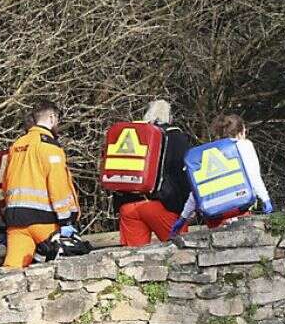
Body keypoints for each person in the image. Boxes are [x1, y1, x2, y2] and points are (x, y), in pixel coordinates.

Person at [1, 101, 80, 269]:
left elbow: (6, 180)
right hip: (45, 221)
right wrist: (67, 221)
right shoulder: (49, 147)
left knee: (11, 270)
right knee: (67, 265)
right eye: (57, 119)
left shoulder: (17, 145)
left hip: (16, 221)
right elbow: (58, 185)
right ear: (52, 118)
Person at [172, 113, 273, 234]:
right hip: (239, 210)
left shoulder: (206, 153)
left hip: (214, 217)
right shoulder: (244, 145)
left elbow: (198, 190)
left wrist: (183, 217)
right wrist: (265, 199)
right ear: (241, 132)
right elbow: (254, 176)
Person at [115, 100, 193, 246]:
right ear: (170, 118)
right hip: (162, 206)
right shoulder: (176, 138)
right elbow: (183, 176)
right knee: (181, 254)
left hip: (128, 206)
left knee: (132, 261)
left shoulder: (134, 135)